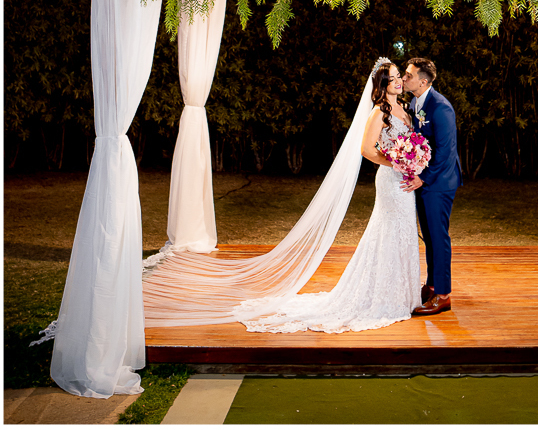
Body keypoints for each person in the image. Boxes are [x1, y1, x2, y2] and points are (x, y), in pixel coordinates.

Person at [142, 58, 421, 334]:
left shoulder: (405, 108)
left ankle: (403, 294)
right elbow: (366, 150)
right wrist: (396, 162)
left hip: (406, 179)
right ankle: (384, 296)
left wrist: (413, 159)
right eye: (395, 77)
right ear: (383, 83)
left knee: (405, 230)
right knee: (388, 231)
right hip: (390, 180)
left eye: (400, 77)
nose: (399, 81)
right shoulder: (377, 113)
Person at [402, 57, 462, 316]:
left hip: (439, 182)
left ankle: (444, 295)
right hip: (425, 180)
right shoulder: (416, 102)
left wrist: (423, 178)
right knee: (429, 237)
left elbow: (446, 151)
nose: (404, 79)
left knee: (439, 237)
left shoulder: (441, 107)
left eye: (408, 75)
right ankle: (433, 284)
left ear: (423, 81)